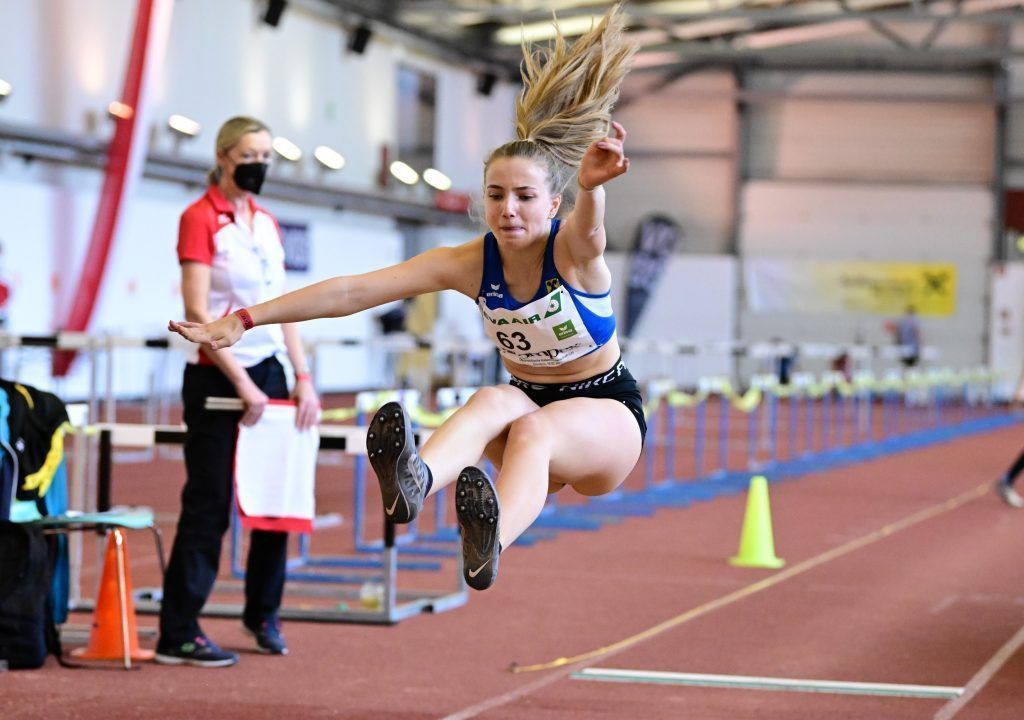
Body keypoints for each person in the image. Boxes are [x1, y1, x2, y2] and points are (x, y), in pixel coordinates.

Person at [169, 6, 640, 593]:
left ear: (552, 205)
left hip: (605, 416)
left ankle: (490, 541)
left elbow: (592, 234)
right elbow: (353, 291)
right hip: (529, 400)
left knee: (533, 433)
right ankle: (416, 481)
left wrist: (592, 190)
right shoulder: (469, 261)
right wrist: (242, 319)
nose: (508, 209)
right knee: (494, 399)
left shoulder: (570, 251)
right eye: (496, 195)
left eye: (524, 196)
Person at [156, 116, 319, 667]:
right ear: (225, 156)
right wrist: (244, 384)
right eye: (251, 154)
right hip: (217, 373)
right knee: (209, 506)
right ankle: (178, 632)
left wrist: (303, 377)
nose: (261, 164)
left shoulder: (269, 222)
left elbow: (285, 306)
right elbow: (198, 312)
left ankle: (262, 614)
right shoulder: (199, 218)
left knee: (276, 500)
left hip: (272, 373)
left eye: (268, 155)